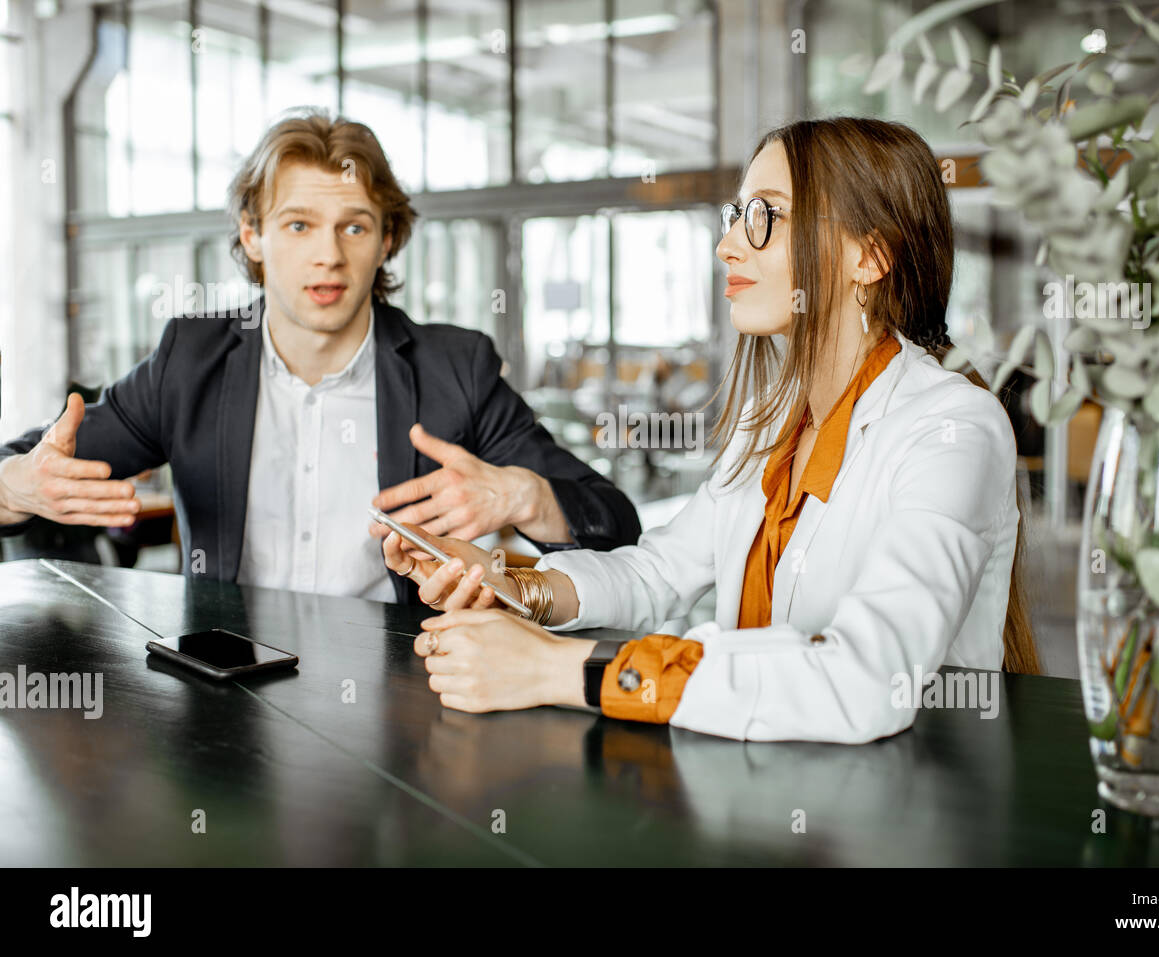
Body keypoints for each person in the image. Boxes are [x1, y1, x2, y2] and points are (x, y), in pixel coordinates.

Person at [384, 116, 1041, 743]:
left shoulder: (952, 427)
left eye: (766, 217)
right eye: (737, 216)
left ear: (868, 256)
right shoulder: (775, 429)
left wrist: (559, 669)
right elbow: (654, 574)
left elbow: (869, 677)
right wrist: (512, 584)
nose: (728, 244)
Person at [0, 110, 641, 603]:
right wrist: (16, 486)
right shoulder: (190, 360)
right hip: (227, 690)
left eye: (354, 226)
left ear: (387, 239)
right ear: (253, 234)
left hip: (402, 688)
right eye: (299, 224)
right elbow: (27, 466)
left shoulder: (454, 368)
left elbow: (613, 523)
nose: (328, 255)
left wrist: (523, 495)